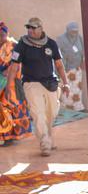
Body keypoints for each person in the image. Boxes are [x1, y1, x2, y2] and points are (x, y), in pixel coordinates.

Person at [6, 17, 69, 157]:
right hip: (31, 83)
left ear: (41, 28)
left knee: (51, 113)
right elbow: (14, 66)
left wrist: (65, 83)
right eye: (28, 27)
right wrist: (9, 87)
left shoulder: (51, 44)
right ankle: (45, 142)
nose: (30, 30)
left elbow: (59, 65)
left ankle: (48, 136)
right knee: (38, 113)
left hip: (51, 83)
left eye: (33, 28)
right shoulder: (22, 44)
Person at [0, 21, 32, 146]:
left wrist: (8, 72)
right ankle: (4, 135)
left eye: (2, 34)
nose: (1, 37)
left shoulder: (14, 46)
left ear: (7, 33)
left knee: (10, 105)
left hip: (11, 82)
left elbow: (18, 63)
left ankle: (11, 136)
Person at [56, 21, 86, 111]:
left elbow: (83, 51)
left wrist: (83, 61)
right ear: (68, 30)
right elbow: (57, 54)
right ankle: (66, 108)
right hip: (65, 70)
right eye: (72, 31)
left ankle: (77, 107)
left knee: (77, 90)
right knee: (66, 90)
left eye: (76, 31)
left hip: (77, 70)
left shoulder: (79, 38)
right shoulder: (61, 39)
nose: (74, 33)